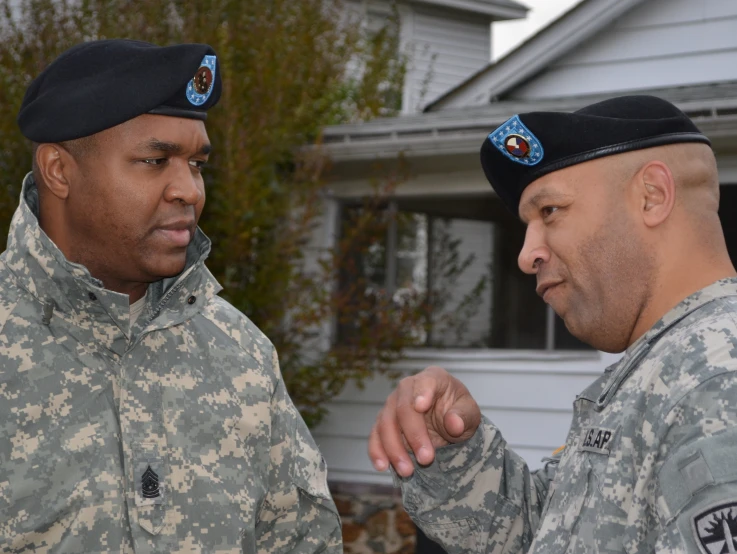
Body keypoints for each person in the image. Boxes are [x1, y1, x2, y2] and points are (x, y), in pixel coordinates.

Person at [0, 39, 341, 553]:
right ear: (59, 171)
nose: (189, 190)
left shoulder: (239, 351)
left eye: (197, 164)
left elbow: (302, 541)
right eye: (155, 160)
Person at [368, 95, 737, 554]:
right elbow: (546, 532)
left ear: (652, 195)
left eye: (551, 212)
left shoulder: (717, 380)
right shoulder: (668, 369)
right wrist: (453, 448)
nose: (527, 255)